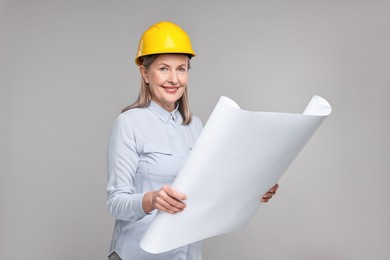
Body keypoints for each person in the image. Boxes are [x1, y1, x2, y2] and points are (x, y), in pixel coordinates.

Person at [106, 21, 279, 260]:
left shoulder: (195, 126)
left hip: (186, 254)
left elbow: (212, 188)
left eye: (181, 68)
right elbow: (115, 202)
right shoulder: (129, 123)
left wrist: (254, 190)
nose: (174, 79)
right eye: (164, 68)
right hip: (138, 254)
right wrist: (151, 200)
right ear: (145, 73)